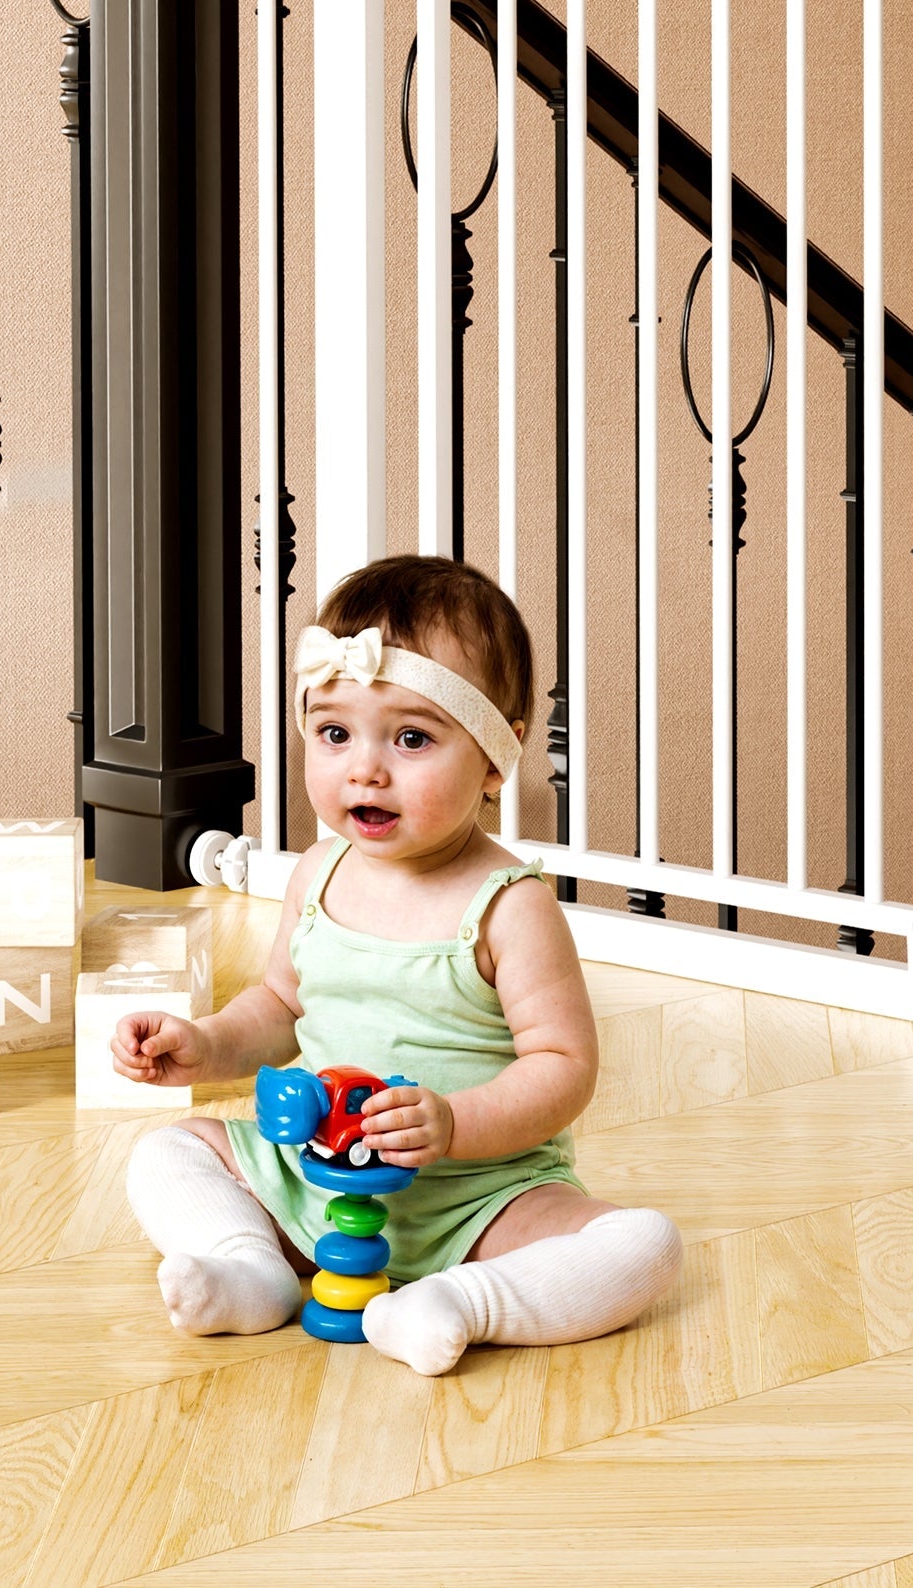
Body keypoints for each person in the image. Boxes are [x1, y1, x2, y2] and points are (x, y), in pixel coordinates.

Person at [117, 553, 681, 1377]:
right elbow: (280, 1004)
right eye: (334, 733)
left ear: (495, 760)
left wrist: (453, 1126)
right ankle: (253, 1266)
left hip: (477, 1196)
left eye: (412, 738)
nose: (365, 768)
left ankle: (461, 1301)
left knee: (645, 1245)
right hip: (311, 1173)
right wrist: (205, 1044)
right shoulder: (319, 871)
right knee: (168, 1151)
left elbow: (563, 1068)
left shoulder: (508, 905)